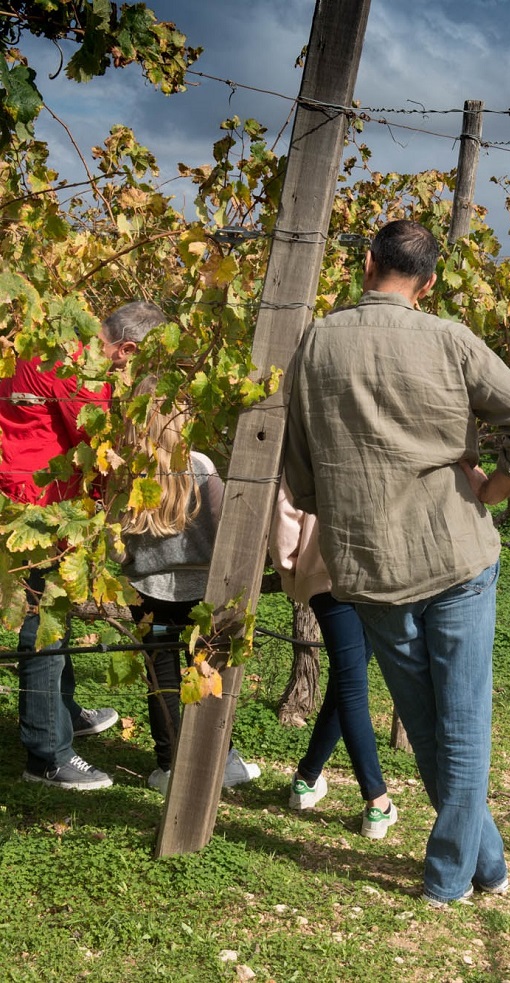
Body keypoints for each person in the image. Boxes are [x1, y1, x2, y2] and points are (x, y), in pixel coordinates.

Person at [284, 219, 510, 906]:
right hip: (457, 551)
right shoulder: (449, 339)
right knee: (462, 723)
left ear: (367, 263)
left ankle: (473, 867)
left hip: (372, 565)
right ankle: (459, 873)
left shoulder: (316, 341)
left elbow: (302, 467)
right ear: (429, 283)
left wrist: (335, 501)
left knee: (428, 722)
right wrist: (495, 486)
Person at [1, 301, 165, 791]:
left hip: (24, 492)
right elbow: (102, 450)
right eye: (138, 364)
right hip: (42, 505)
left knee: (55, 612)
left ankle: (63, 713)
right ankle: (47, 754)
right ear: (127, 349)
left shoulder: (47, 340)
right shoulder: (81, 374)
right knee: (44, 623)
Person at [120, 379, 261, 791]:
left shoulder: (128, 470)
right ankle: (223, 759)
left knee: (161, 679)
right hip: (205, 591)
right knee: (209, 671)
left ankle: (169, 767)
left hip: (148, 593)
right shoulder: (199, 466)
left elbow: (115, 542)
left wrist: (131, 562)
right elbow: (225, 531)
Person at [270, 478, 396, 838]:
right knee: (351, 683)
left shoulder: (312, 430)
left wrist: (292, 569)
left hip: (325, 572)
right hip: (381, 571)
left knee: (347, 681)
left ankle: (307, 778)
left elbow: (286, 509)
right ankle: (377, 800)